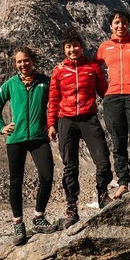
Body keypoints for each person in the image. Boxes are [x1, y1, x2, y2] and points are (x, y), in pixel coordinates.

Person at [0, 46, 56, 246]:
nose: (23, 64)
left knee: (47, 175)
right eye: (19, 61)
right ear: (15, 64)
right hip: (16, 139)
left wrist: (51, 123)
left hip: (38, 136)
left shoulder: (45, 81)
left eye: (26, 60)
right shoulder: (10, 84)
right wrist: (0, 126)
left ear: (32, 60)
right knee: (16, 181)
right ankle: (18, 224)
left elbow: (55, 103)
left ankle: (38, 217)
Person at [47, 29, 113, 228]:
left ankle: (103, 194)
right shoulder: (58, 70)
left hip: (89, 118)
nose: (72, 49)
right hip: (66, 120)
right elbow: (53, 99)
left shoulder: (92, 67)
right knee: (70, 166)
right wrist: (51, 124)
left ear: (81, 47)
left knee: (102, 160)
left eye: (75, 45)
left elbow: (105, 92)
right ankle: (71, 206)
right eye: (68, 46)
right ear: (64, 50)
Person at [96, 9, 130, 199]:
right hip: (113, 98)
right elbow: (97, 71)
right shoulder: (104, 47)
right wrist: (106, 91)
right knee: (118, 141)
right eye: (117, 23)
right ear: (111, 25)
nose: (120, 26)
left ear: (128, 25)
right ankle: (123, 182)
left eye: (124, 22)